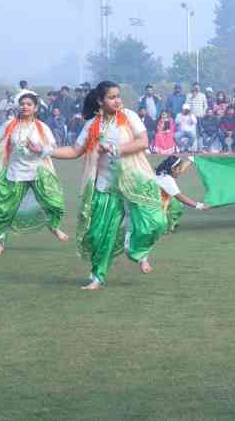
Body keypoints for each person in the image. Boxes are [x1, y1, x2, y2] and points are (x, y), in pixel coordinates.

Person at [51, 81, 167, 290]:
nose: (117, 100)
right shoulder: (92, 125)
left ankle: (136, 250)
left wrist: (113, 149)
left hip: (136, 180)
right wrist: (44, 151)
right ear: (100, 101)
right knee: (99, 234)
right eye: (112, 97)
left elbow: (142, 142)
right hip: (106, 184)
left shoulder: (129, 117)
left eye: (118, 96)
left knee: (156, 222)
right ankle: (97, 277)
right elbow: (74, 151)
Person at [0, 91, 68, 257]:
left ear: (35, 108)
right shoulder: (9, 125)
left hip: (38, 173)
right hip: (14, 173)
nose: (25, 107)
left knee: (53, 202)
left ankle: (54, 227)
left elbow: (53, 148)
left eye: (29, 104)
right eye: (22, 104)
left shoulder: (42, 128)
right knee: (4, 209)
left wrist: (38, 149)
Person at [155, 155, 210, 233]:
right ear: (173, 169)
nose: (180, 171)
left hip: (152, 201)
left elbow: (181, 170)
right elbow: (180, 197)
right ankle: (166, 226)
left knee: (174, 202)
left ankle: (168, 223)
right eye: (179, 168)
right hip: (153, 205)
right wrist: (199, 206)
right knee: (176, 204)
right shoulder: (167, 179)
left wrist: (191, 159)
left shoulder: (163, 171)